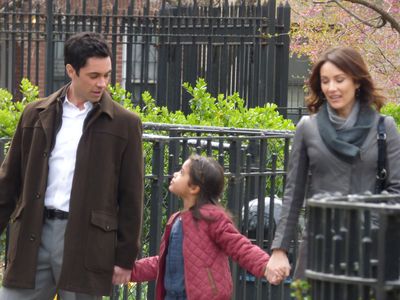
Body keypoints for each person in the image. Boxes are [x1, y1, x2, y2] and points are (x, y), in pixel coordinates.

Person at [0, 32, 144, 299]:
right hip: (34, 234)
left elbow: (132, 195)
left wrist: (125, 256)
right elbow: (8, 181)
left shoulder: (125, 124)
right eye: (93, 76)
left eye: (107, 75)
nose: (102, 83)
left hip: (86, 242)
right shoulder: (35, 113)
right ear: (71, 70)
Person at [265, 46, 400, 285]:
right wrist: (279, 250)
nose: (332, 88)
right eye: (325, 81)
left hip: (370, 249)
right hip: (319, 246)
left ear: (357, 81)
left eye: (340, 80)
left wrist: (368, 226)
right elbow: (293, 192)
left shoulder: (384, 127)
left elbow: (397, 191)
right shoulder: (308, 127)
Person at [131, 154, 270, 300]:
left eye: (182, 172)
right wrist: (131, 271)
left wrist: (265, 265)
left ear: (194, 188)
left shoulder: (212, 218)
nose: (175, 174)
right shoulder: (176, 219)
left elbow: (239, 246)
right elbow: (166, 262)